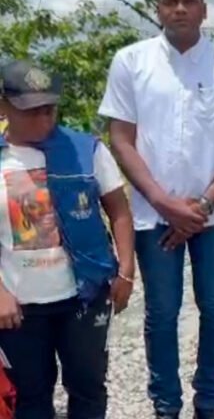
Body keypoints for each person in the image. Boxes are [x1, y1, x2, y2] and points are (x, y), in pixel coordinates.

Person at [100, 0, 214, 419]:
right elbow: (121, 138)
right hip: (154, 215)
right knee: (161, 311)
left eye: (188, 1)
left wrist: (204, 205)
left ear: (204, 9)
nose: (179, 8)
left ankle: (207, 402)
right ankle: (166, 406)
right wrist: (163, 201)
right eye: (170, 1)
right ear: (158, 8)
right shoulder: (130, 62)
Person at [0, 61, 135, 419]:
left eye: (50, 109)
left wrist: (126, 270)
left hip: (84, 297)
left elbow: (119, 211)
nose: (43, 119)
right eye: (31, 111)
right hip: (20, 308)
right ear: (4, 106)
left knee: (89, 388)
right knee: (29, 397)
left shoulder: (86, 150)